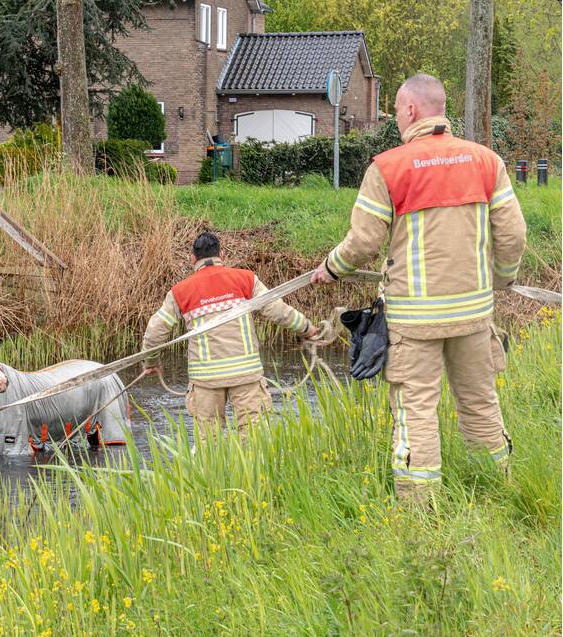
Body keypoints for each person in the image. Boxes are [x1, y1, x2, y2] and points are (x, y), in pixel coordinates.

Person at [311, 73, 527, 505]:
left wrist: (330, 269)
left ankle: (419, 512)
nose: (394, 117)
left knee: (416, 414)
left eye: (394, 109)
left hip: (415, 322)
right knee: (481, 404)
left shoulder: (388, 168)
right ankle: (498, 494)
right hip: (473, 317)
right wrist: (500, 280)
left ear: (411, 110)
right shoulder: (486, 161)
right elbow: (514, 236)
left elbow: (365, 243)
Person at [143, 231, 318, 432]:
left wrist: (151, 362)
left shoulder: (180, 292)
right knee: (254, 438)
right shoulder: (246, 279)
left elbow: (155, 332)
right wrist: (307, 328)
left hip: (206, 380)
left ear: (193, 259)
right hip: (246, 375)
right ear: (222, 255)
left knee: (209, 442)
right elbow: (277, 310)